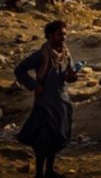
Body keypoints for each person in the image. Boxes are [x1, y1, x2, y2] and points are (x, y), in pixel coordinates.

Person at [14, 20, 78, 178]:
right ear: (50, 35)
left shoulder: (66, 53)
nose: (63, 37)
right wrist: (34, 85)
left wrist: (72, 76)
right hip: (45, 103)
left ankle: (49, 170)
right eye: (59, 34)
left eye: (64, 33)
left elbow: (69, 76)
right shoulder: (41, 55)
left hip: (61, 101)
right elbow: (19, 70)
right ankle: (39, 173)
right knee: (43, 139)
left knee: (56, 137)